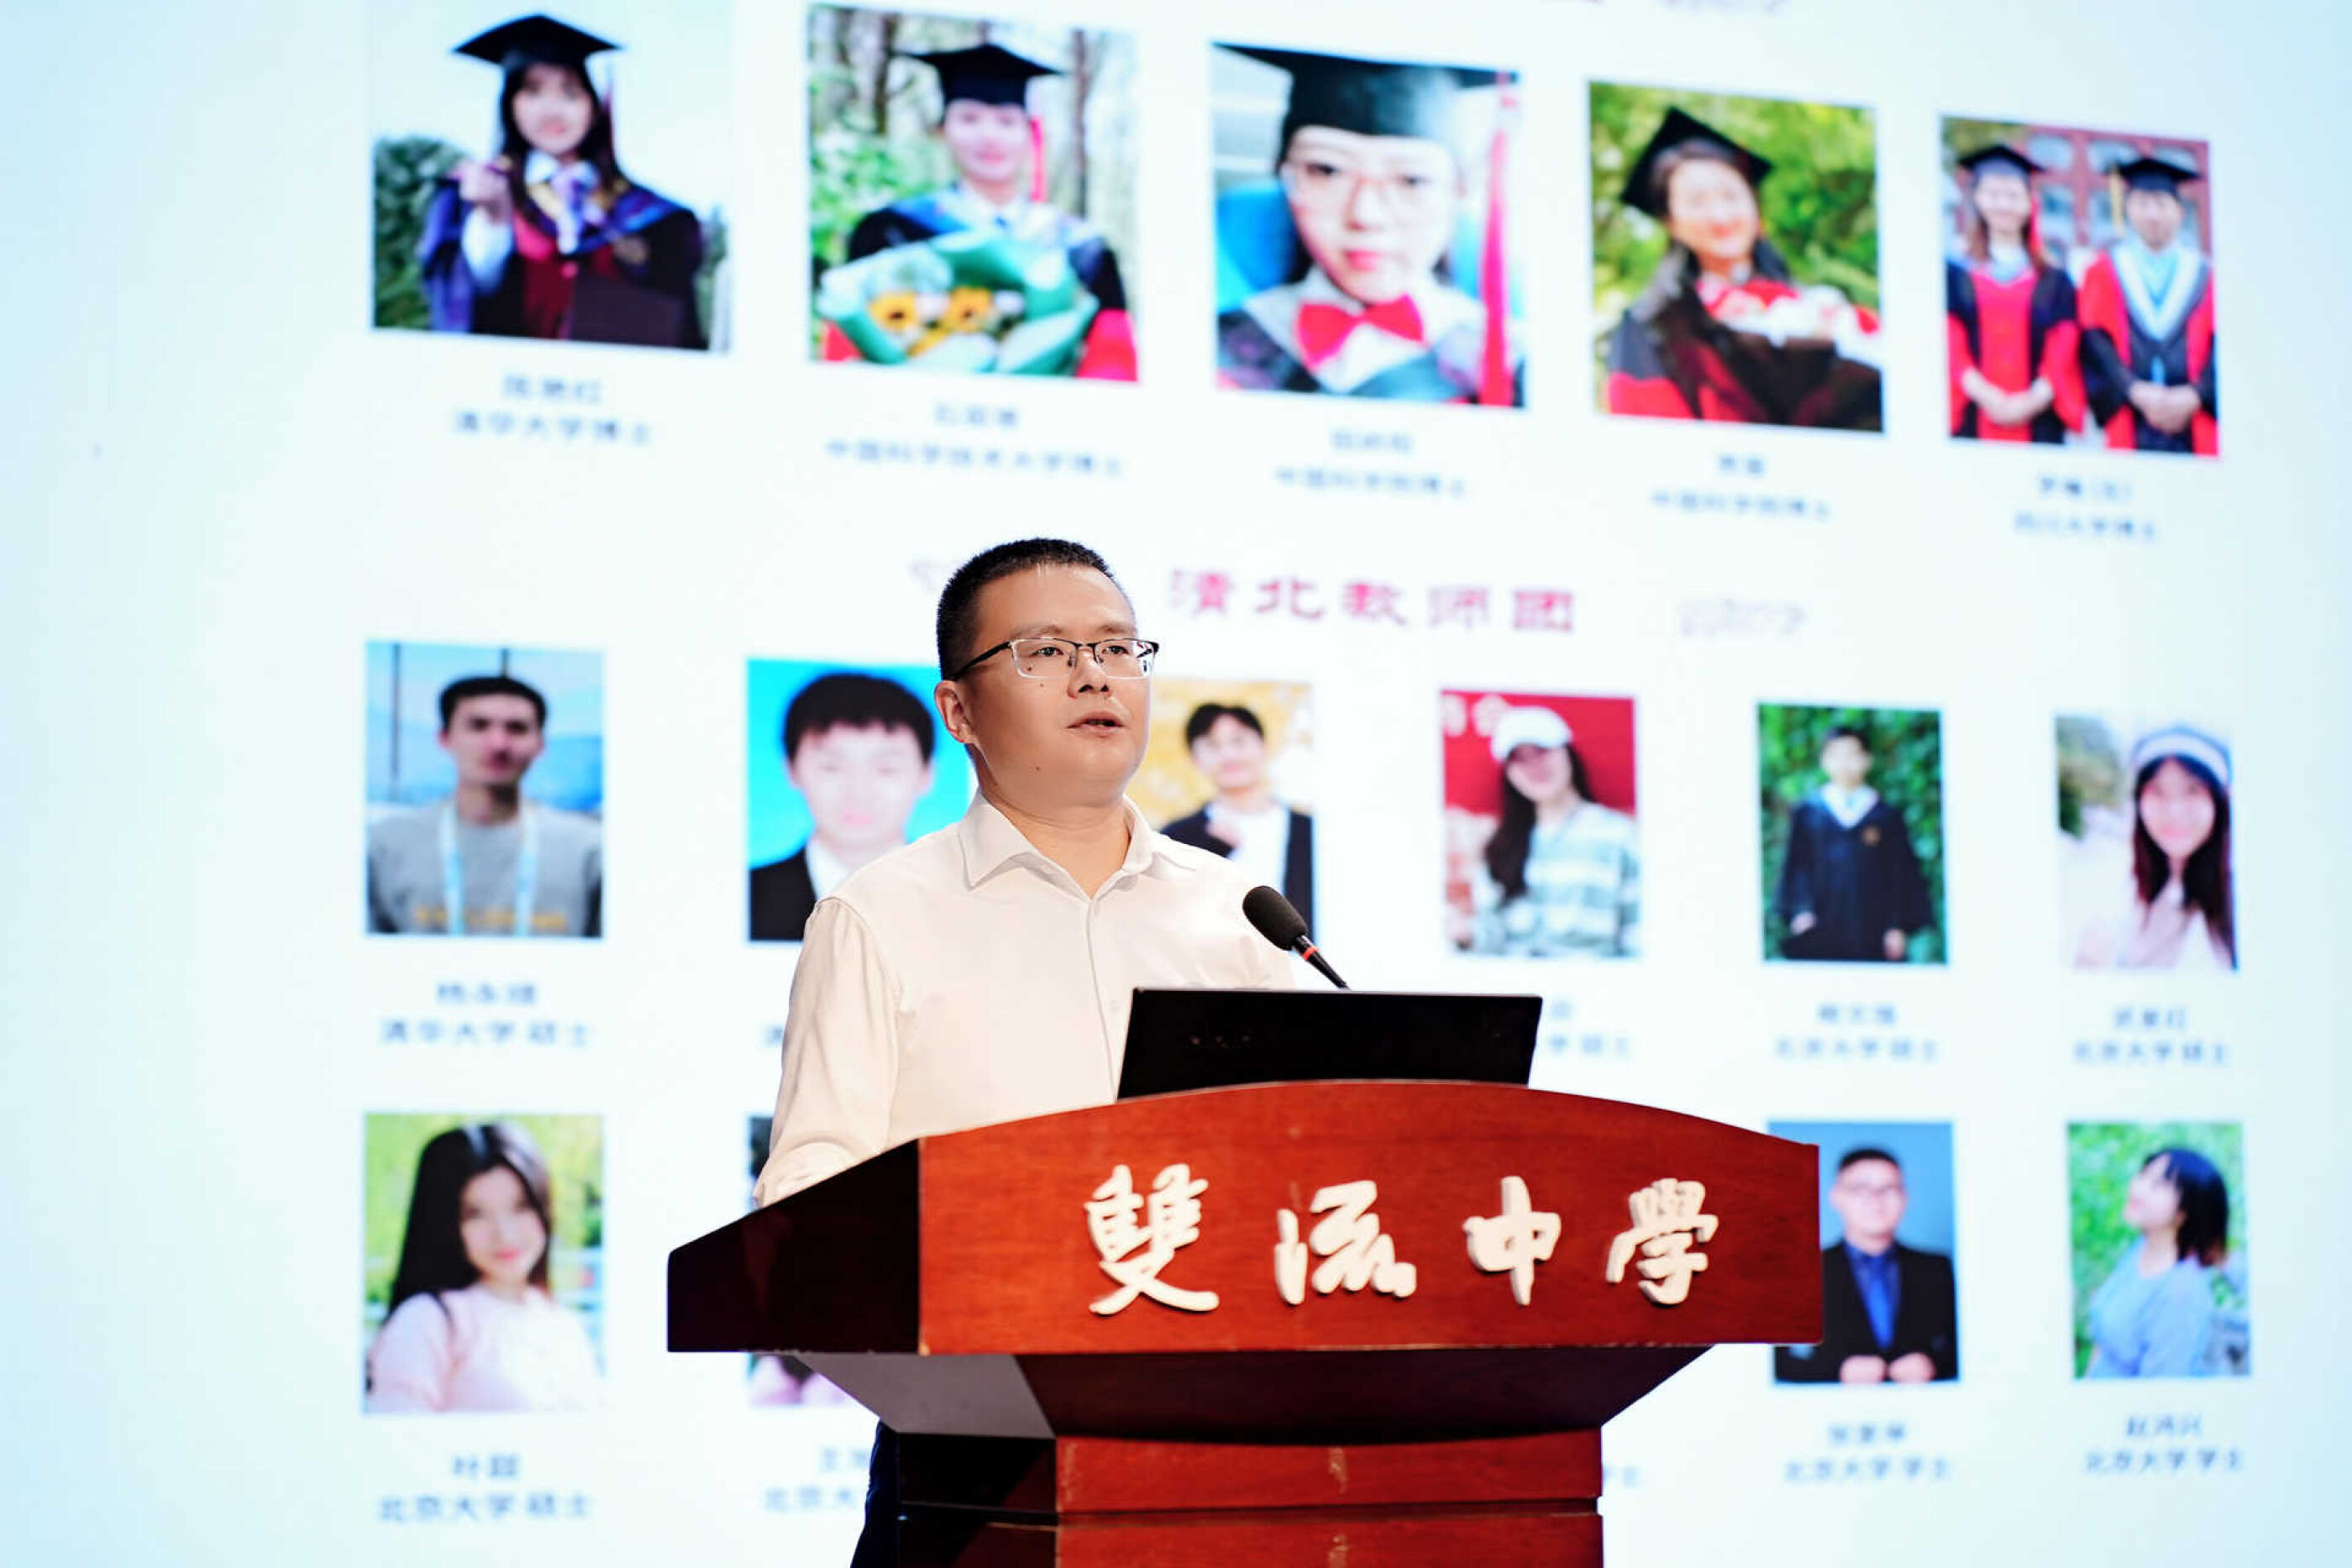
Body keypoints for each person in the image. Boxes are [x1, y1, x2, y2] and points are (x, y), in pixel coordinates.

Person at [751, 539, 1296, 1565]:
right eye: (1045, 652)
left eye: (1117, 647)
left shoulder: (1240, 911)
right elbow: (809, 1198)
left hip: (1226, 1446)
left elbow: (1315, 1163)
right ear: (958, 710)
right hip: (973, 1464)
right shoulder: (878, 915)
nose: (1095, 675)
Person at [1214, 49, 1522, 403]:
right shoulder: (1216, 344)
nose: (1366, 216)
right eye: (1327, 171)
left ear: (1457, 192)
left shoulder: (1515, 361)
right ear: (1283, 178)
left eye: (1412, 180)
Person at [816, 43, 1136, 379]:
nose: (989, 136)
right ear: (941, 130)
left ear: (1030, 133)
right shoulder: (891, 230)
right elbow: (848, 348)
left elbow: (1112, 358)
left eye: (1006, 122)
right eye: (969, 119)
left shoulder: (1080, 247)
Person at [417, 15, 706, 348]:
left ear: (594, 105)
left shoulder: (651, 215)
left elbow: (677, 324)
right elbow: (457, 304)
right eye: (533, 92)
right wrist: (493, 221)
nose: (553, 110)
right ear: (509, 104)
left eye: (570, 92)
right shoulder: (474, 195)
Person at [1604, 107, 1881, 427]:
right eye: (1696, 202)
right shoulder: (1651, 326)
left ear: (1755, 207)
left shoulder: (1818, 309)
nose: (1720, 216)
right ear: (1671, 223)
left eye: (1731, 196)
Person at [365, 1122, 601, 1413]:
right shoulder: (428, 1320)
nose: (505, 1234)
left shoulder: (562, 1323)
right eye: (475, 1214)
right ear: (445, 1224)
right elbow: (396, 1434)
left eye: (521, 1207)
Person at [366, 674, 602, 937]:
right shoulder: (384, 845)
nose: (498, 745)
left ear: (540, 744)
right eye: (478, 726)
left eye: (517, 728)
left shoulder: (589, 851)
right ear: (445, 737)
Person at [750, 673, 940, 943]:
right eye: (831, 767)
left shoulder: (955, 900)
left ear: (927, 774)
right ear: (791, 769)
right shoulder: (746, 895)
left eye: (886, 769)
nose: (859, 793)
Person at [1460, 706, 1638, 957]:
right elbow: (1490, 940)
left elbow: (1637, 932)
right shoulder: (1501, 846)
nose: (1534, 766)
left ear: (1567, 753)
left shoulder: (1619, 836)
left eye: (1542, 751)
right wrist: (1465, 935)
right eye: (1519, 758)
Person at [1776, 1148, 1958, 1385]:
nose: (1875, 1201)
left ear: (1905, 1197)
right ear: (1836, 1196)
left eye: (1888, 1189)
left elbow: (1969, 1347)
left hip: (1922, 1405)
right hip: (1830, 1406)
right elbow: (1774, 1360)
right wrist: (1837, 1370)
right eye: (1860, 1189)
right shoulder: (1802, 1271)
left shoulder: (1935, 1269)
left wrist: (1933, 1363)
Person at [1945, 144, 2086, 443]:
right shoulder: (1956, 273)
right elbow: (1951, 342)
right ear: (1977, 198)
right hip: (1973, 418)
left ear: (2029, 203)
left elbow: (2064, 347)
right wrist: (1987, 396)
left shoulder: (2055, 280)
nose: (2003, 205)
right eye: (1993, 194)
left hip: (2040, 423)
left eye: (2013, 196)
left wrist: (2031, 401)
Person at [2077, 155, 2217, 456]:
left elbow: (2224, 345)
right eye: (2142, 204)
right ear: (2128, 209)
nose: (2153, 215)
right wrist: (2132, 389)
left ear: (2180, 212)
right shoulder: (2103, 271)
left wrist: (2198, 394)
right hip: (2130, 417)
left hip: (2195, 420)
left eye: (2162, 204)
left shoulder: (2207, 275)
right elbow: (2094, 342)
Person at [2074, 727, 2234, 971]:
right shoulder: (2117, 886)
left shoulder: (2238, 903)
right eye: (2157, 791)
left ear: (2219, 802)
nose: (2174, 812)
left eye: (2193, 790)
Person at [1772, 725, 1930, 963]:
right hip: (1819, 928)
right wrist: (1800, 911)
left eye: (1852, 755)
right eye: (1837, 755)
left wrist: (1897, 926)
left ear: (1867, 760)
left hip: (1874, 931)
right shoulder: (1808, 813)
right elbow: (1797, 867)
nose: (1845, 764)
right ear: (1824, 761)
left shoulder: (1885, 815)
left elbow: (1900, 873)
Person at [1161, 703, 1315, 932]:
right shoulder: (1177, 838)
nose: (1228, 755)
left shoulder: (1310, 831)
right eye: (1213, 745)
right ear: (1195, 758)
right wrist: (1213, 849)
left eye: (1238, 741)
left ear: (1263, 746)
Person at [2083, 1147, 2230, 1378]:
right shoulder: (2143, 1247)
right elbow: (2104, 1344)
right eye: (2143, 1175)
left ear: (2185, 1211)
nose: (2138, 1188)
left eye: (2158, 1185)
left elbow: (2160, 1391)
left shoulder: (2181, 1293)